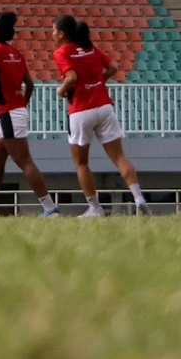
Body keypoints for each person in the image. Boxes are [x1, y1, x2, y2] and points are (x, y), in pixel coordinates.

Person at [0, 11, 58, 217]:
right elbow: (30, 85)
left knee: (25, 162)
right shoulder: (15, 53)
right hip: (10, 113)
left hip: (7, 114)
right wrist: (21, 106)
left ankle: (50, 208)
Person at [53, 15, 146, 217]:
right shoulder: (91, 49)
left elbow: (71, 77)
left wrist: (61, 90)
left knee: (81, 163)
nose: (52, 34)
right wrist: (98, 82)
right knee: (119, 157)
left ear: (61, 34)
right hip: (104, 106)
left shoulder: (62, 52)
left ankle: (95, 208)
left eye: (53, 31)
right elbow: (113, 67)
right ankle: (139, 198)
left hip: (80, 110)